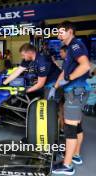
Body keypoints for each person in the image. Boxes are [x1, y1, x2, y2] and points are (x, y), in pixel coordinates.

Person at [49, 21, 91, 175]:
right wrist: (55, 86)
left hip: (75, 92)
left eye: (61, 31)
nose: (58, 34)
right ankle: (75, 155)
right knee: (77, 126)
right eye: (57, 31)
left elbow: (86, 65)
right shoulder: (70, 49)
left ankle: (67, 166)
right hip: (76, 91)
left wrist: (70, 77)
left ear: (70, 32)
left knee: (70, 129)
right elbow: (64, 72)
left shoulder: (75, 45)